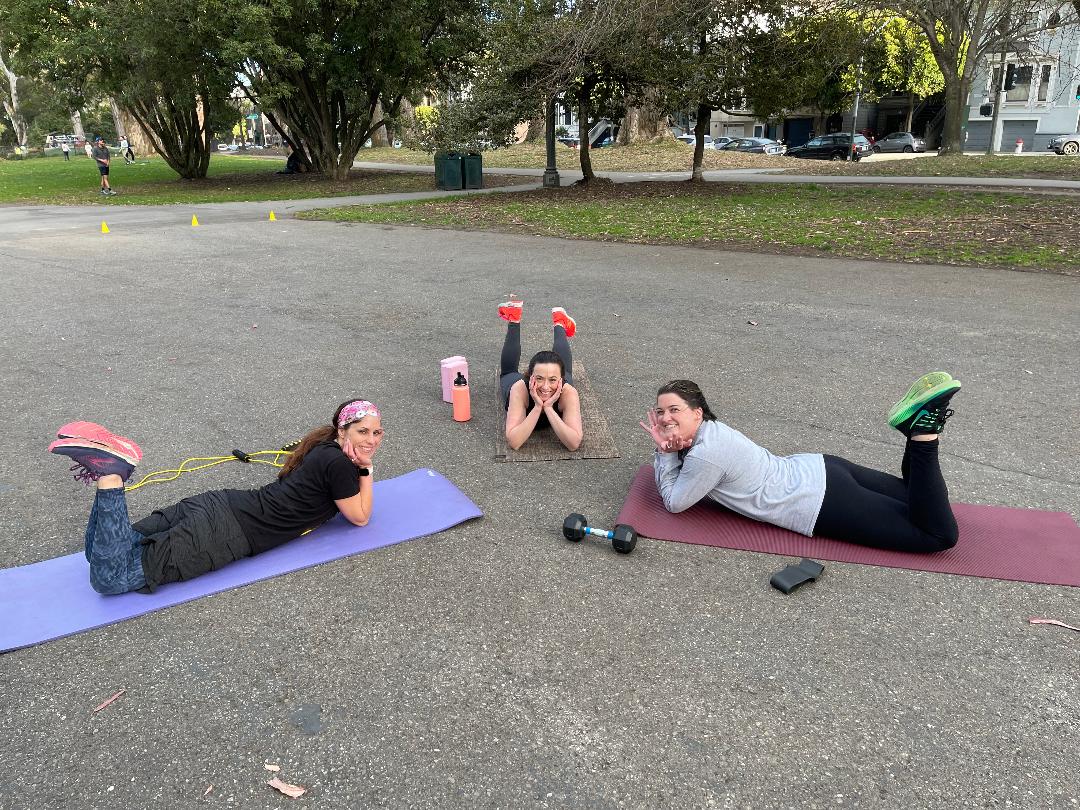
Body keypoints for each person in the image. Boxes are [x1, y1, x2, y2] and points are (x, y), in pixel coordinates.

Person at [47, 399, 383, 595]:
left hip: (217, 505)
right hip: (223, 534)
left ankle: (105, 463)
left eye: (376, 432)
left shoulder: (321, 449)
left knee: (100, 552)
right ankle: (111, 475)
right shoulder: (340, 464)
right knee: (109, 579)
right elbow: (360, 517)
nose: (371, 439)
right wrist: (365, 469)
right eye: (362, 432)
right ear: (342, 431)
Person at [640, 373, 962, 553]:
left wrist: (667, 455)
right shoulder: (714, 432)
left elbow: (675, 502)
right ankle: (912, 428)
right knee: (920, 497)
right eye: (660, 411)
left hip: (820, 502)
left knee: (938, 534)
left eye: (674, 410)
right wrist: (677, 450)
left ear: (697, 413)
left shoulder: (704, 454)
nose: (665, 417)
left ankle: (922, 433)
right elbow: (697, 468)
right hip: (823, 469)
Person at [498, 298, 583, 451]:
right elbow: (514, 441)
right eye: (539, 378)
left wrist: (549, 407)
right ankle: (513, 318)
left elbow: (574, 443)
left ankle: (559, 321)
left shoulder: (568, 392)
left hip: (561, 386)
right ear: (530, 376)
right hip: (522, 388)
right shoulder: (519, 388)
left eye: (552, 380)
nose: (545, 387)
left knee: (566, 370)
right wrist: (538, 406)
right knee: (508, 373)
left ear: (561, 380)